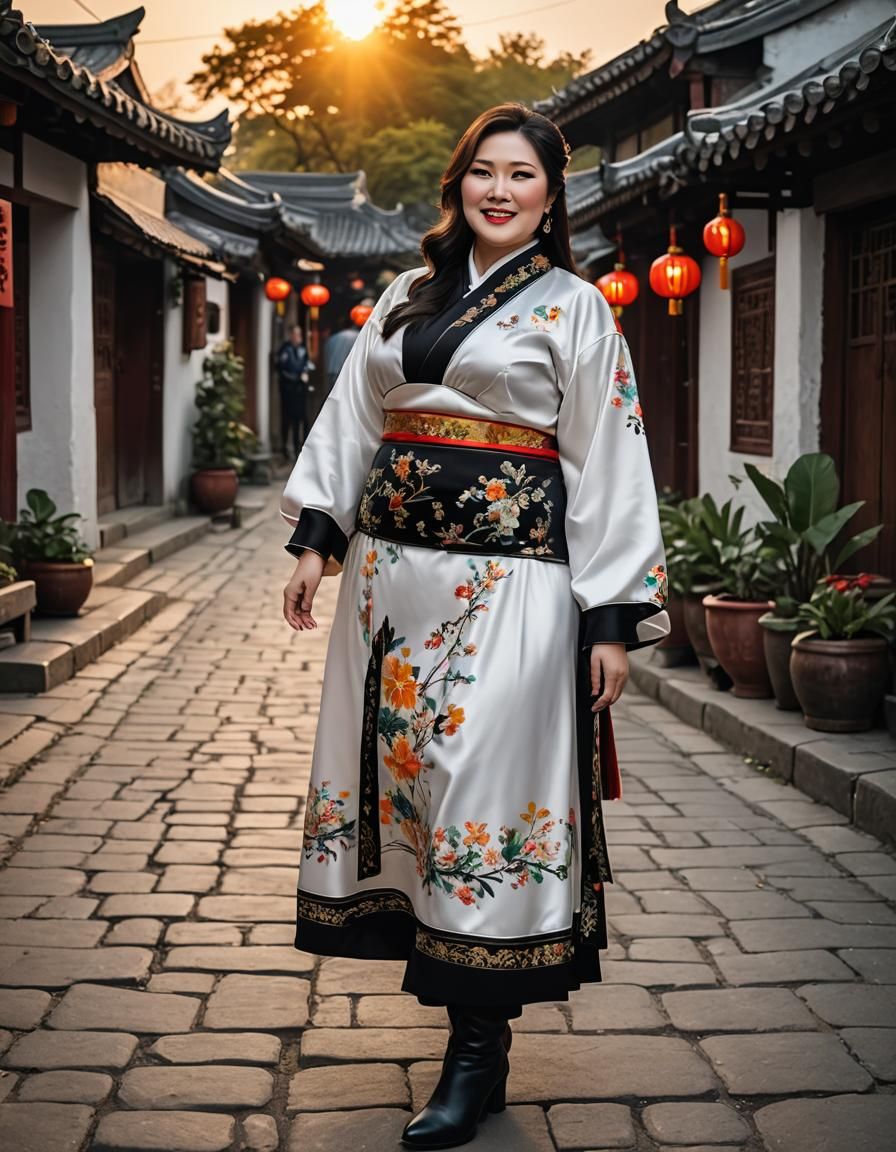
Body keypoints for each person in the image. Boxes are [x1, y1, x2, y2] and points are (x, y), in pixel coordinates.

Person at [281, 103, 669, 1149]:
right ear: (459, 185)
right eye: (483, 173)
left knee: (474, 791)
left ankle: (474, 1052)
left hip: (510, 596)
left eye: (522, 176)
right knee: (410, 787)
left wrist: (610, 619)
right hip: (389, 593)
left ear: (549, 198)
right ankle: (468, 1041)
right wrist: (318, 539)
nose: (499, 191)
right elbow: (355, 419)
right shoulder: (406, 296)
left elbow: (608, 460)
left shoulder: (576, 309)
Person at [277, 325, 315, 459]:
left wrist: (305, 374)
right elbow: (281, 369)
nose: (298, 337)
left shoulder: (303, 349)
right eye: (296, 334)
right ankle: (285, 449)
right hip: (288, 390)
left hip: (300, 390)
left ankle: (300, 447)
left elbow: (306, 365)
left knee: (302, 418)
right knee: (287, 419)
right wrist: (294, 378)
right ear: (291, 335)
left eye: (299, 334)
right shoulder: (285, 349)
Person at [323, 314, 360, 397]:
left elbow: (327, 357)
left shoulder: (332, 339)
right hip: (348, 373)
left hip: (332, 372)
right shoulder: (358, 336)